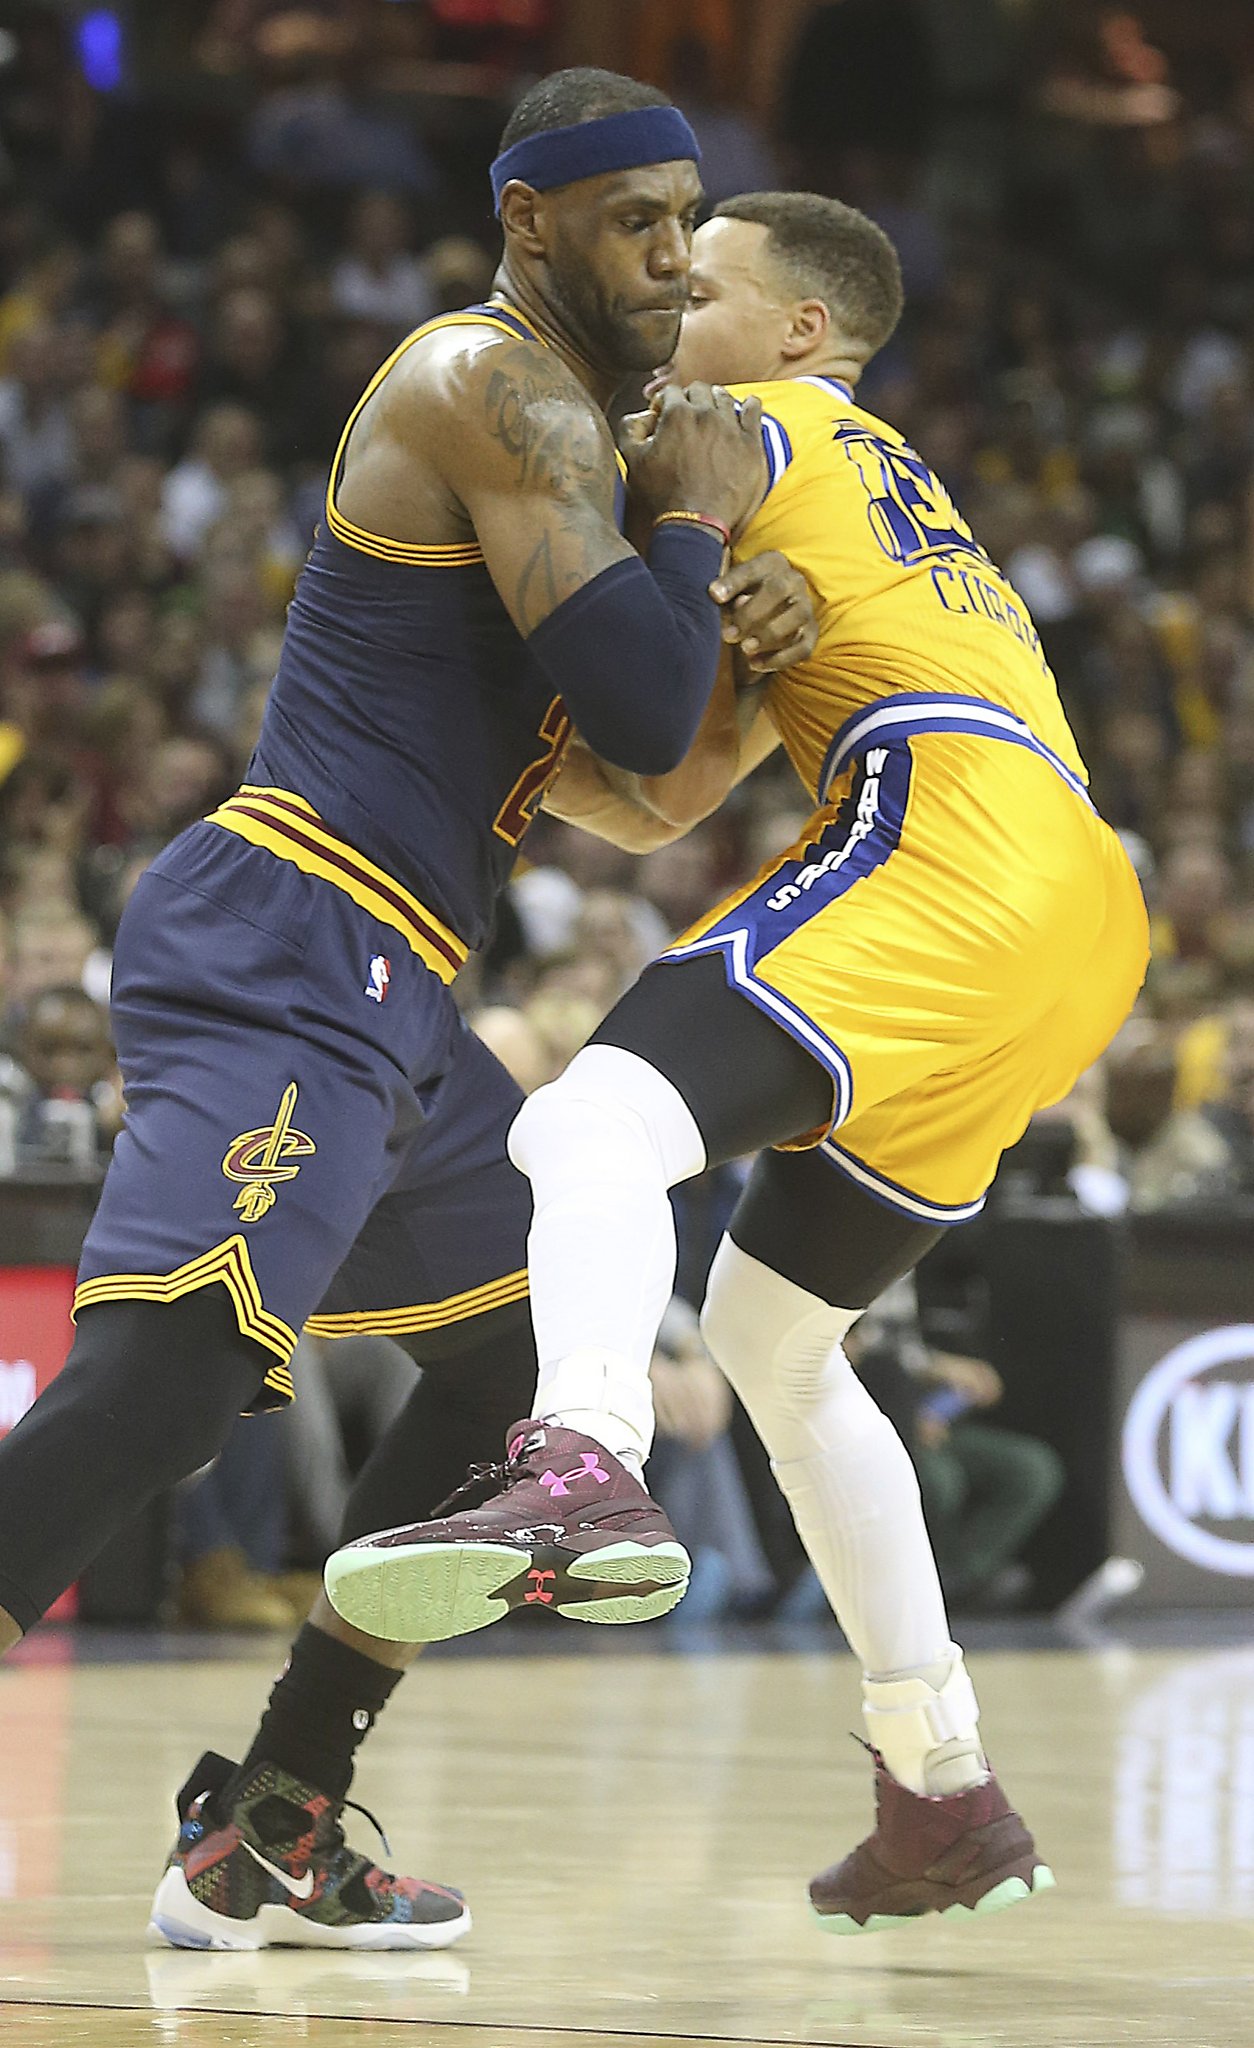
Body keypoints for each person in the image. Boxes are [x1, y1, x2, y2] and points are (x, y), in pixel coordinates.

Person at [0, 71, 816, 1951]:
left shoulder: (580, 461)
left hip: (402, 990)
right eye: (637, 219)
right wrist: (695, 547)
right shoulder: (487, 380)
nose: (676, 255)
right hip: (297, 931)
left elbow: (638, 789)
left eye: (691, 219)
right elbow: (622, 696)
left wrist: (752, 690)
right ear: (530, 219)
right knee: (171, 1381)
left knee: (527, 1364)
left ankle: (276, 1814)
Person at [328, 192, 1150, 1934]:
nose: (654, 307)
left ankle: (576, 1458)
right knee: (782, 1340)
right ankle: (940, 1780)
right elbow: (667, 794)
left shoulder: (733, 432)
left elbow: (517, 500)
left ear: (794, 334)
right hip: (1071, 905)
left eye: (691, 286)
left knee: (587, 1124)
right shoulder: (858, 477)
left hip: (947, 834)